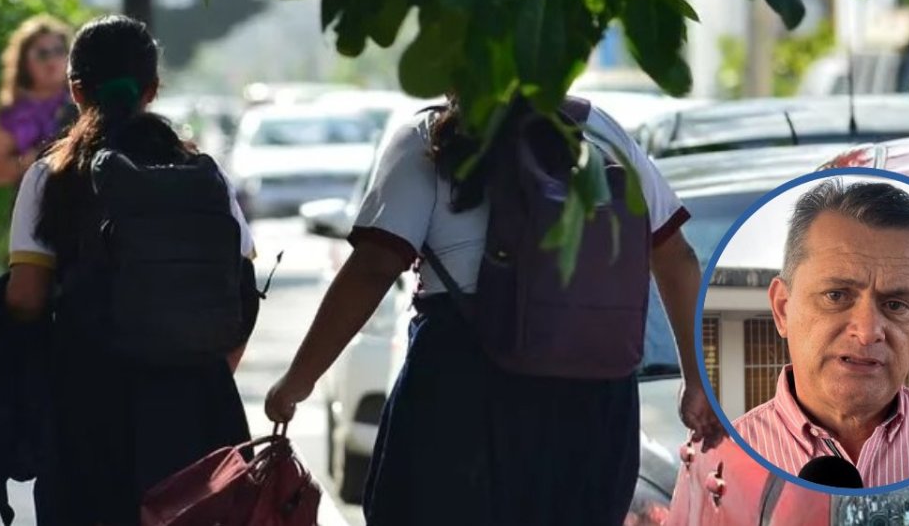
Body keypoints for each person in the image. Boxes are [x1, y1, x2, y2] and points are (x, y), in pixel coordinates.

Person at [264, 95, 723, 525]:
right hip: (597, 401)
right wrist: (697, 380)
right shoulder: (597, 131)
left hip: (467, 390)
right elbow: (675, 257)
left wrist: (297, 381)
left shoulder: (429, 141)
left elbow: (373, 268)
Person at [4, 15, 256, 525]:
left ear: (76, 91)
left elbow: (26, 300)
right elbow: (239, 297)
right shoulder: (203, 176)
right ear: (153, 89)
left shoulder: (50, 178)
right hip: (199, 413)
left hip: (89, 409)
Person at [733, 179, 909, 488]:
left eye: (896, 304)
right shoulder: (723, 459)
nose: (867, 333)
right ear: (783, 309)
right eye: (836, 296)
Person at [0, 15, 78, 187]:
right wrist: (27, 162)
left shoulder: (82, 102)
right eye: (42, 54)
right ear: (24, 62)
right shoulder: (13, 112)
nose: (51, 61)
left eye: (59, 51)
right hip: (32, 203)